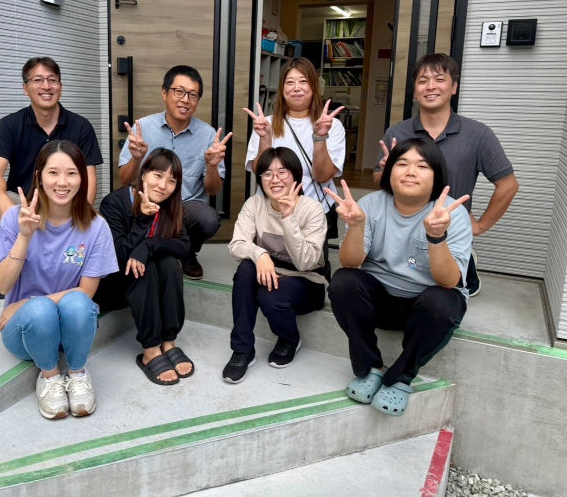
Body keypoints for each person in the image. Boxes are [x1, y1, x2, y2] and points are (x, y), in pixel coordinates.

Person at [326, 138, 472, 417]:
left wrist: (436, 236)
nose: (410, 171)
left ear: (437, 175)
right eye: (402, 163)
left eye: (422, 166)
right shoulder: (371, 204)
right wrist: (356, 225)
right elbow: (350, 263)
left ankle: (401, 377)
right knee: (343, 282)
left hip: (424, 307)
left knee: (443, 303)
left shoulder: (451, 213)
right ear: (389, 170)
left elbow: (448, 282)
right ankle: (370, 368)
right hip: (381, 301)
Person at [374, 53, 518, 297]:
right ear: (415, 90)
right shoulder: (397, 133)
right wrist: (388, 172)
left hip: (450, 236)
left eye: (439, 79)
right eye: (423, 81)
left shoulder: (477, 134)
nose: (430, 86)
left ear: (454, 87)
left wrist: (480, 225)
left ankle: (467, 266)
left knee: (444, 293)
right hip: (403, 236)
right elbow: (379, 184)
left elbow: (508, 185)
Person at [0, 141, 118, 420]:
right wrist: (24, 236)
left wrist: (25, 301)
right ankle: (49, 377)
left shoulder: (96, 226)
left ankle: (77, 373)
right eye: (53, 173)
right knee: (40, 311)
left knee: (77, 302)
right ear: (39, 176)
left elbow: (86, 292)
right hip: (26, 330)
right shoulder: (14, 218)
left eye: (72, 173)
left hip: (72, 328)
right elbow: (1, 286)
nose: (62, 182)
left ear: (82, 178)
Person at [0, 56, 103, 299]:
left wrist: (82, 211)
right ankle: (4, 268)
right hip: (25, 201)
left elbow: (89, 179)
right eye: (38, 80)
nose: (46, 86)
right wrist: (4, 204)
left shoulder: (80, 126)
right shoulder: (10, 124)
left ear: (61, 87)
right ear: (25, 88)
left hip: (65, 201)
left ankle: (63, 274)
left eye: (52, 80)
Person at [222, 147, 328, 383]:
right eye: (268, 174)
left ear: (295, 176)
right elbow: (236, 244)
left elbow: (306, 262)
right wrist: (260, 254)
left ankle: (290, 339)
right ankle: (242, 349)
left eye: (282, 172)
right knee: (246, 269)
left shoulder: (312, 209)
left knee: (269, 295)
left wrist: (288, 218)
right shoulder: (254, 204)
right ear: (260, 178)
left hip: (307, 280)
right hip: (270, 273)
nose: (275, 179)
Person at [119, 65, 231, 280]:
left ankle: (187, 252)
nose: (185, 100)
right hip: (146, 202)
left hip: (183, 208)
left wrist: (212, 165)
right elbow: (124, 180)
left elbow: (213, 189)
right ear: (164, 93)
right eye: (179, 91)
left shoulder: (208, 134)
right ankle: (147, 248)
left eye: (193, 95)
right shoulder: (144, 127)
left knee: (209, 219)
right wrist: (136, 159)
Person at [100, 148, 193, 385]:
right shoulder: (114, 203)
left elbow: (184, 247)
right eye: (158, 175)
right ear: (143, 174)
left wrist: (149, 246)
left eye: (171, 181)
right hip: (114, 285)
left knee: (169, 263)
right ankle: (150, 349)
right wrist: (142, 221)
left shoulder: (171, 207)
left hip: (147, 283)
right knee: (146, 265)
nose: (163, 186)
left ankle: (168, 341)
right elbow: (117, 257)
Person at [244, 57, 345, 239]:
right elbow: (260, 173)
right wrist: (265, 138)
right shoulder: (265, 124)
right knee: (267, 256)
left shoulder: (333, 126)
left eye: (303, 81)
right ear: (282, 89)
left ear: (314, 86)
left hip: (314, 212)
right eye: (290, 82)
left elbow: (322, 176)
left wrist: (320, 137)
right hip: (272, 211)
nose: (296, 88)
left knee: (310, 257)